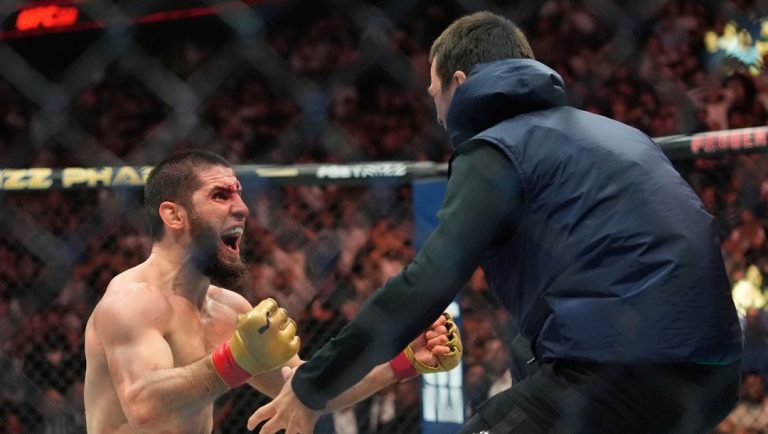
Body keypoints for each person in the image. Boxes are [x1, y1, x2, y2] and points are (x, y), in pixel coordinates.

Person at [249, 11, 743, 434]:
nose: (438, 115)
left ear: (458, 83)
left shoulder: (499, 148)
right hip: (713, 372)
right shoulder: (614, 134)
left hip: (622, 367)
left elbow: (428, 281)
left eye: (434, 93)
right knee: (524, 354)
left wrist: (313, 387)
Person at [83, 150, 463, 433]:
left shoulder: (229, 310)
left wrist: (401, 364)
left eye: (239, 194)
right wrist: (236, 361)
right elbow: (144, 407)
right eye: (220, 196)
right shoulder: (132, 301)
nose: (243, 208)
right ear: (174, 215)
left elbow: (308, 389)